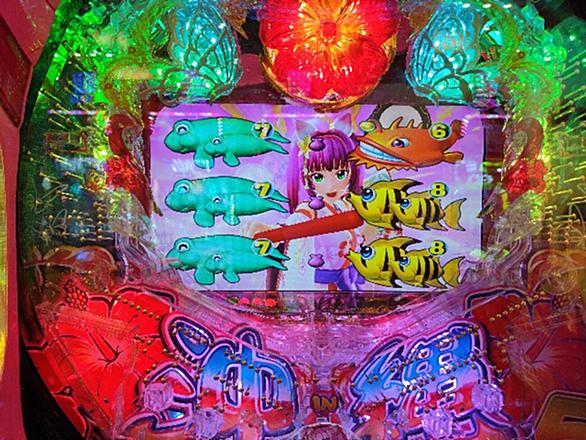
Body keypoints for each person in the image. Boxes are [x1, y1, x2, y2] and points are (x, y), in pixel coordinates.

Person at [245, 129, 365, 291]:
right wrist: (272, 232)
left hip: (347, 285)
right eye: (318, 177)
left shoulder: (346, 205)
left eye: (341, 174)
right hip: (319, 288)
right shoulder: (311, 209)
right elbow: (294, 225)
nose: (330, 185)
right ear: (307, 177)